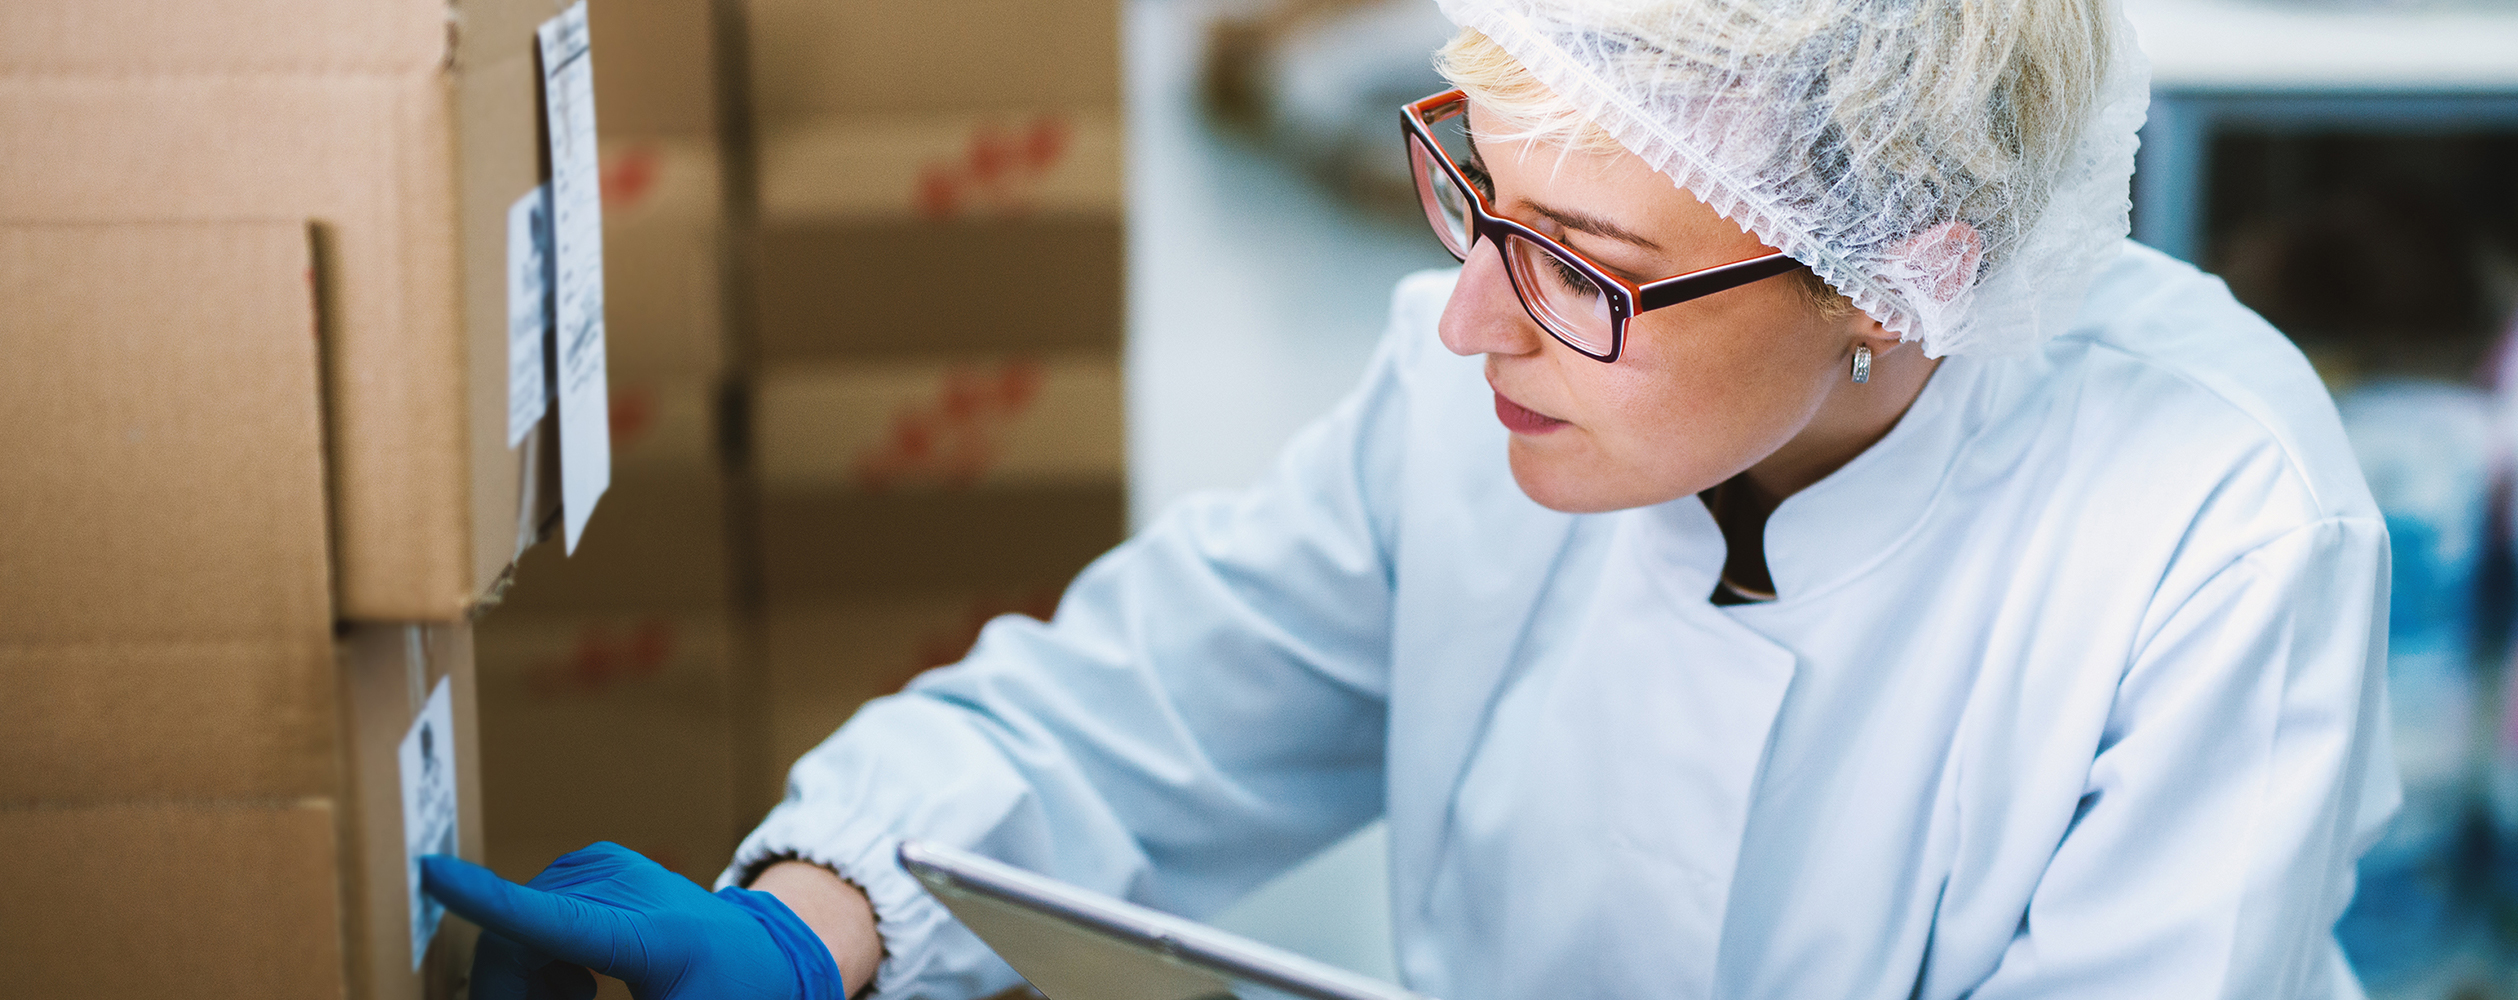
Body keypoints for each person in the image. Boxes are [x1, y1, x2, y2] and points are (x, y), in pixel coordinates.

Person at [422, 0, 2400, 997]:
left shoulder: (2210, 528)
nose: (1469, 318)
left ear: (1912, 276)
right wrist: (810, 928)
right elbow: (1124, 717)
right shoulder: (1470, 400)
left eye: (1583, 259)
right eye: (1476, 190)